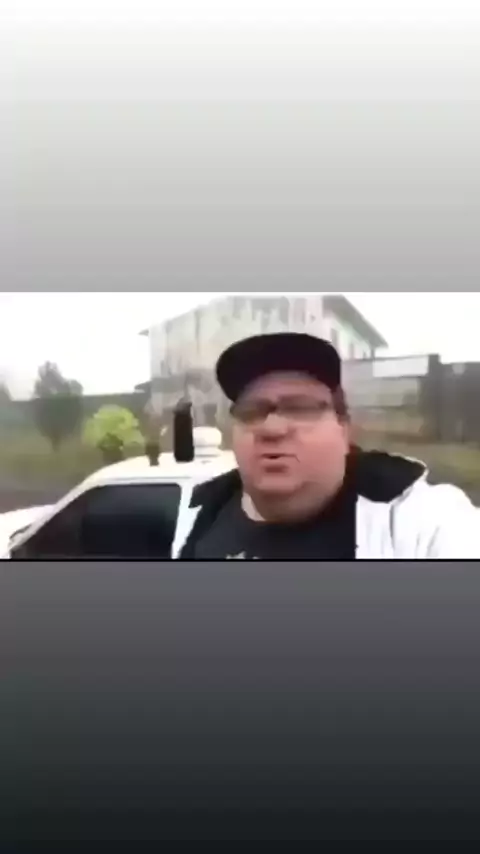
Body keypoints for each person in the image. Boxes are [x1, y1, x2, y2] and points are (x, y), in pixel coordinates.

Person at [175, 332, 479, 560]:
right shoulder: (199, 512)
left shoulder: (423, 520)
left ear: (343, 428)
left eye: (299, 408)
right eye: (252, 411)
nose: (271, 428)